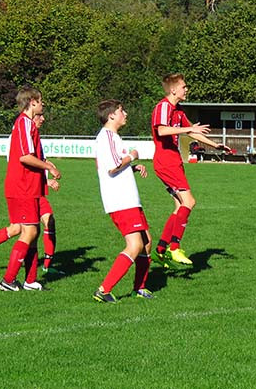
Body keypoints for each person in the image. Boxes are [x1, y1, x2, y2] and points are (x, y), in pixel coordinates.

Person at [151, 73, 231, 267]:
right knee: (190, 201)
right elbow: (161, 130)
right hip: (166, 162)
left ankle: (161, 250)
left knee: (180, 206)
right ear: (173, 90)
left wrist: (215, 145)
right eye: (184, 87)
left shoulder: (178, 111)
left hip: (173, 162)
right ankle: (174, 247)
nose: (186, 89)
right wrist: (188, 130)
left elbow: (192, 131)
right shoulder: (164, 107)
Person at [0, 87, 61, 292]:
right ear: (32, 102)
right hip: (22, 186)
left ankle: (31, 279)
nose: (43, 106)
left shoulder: (28, 126)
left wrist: (45, 168)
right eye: (41, 101)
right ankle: (8, 280)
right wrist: (49, 167)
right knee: (30, 231)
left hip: (29, 187)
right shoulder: (24, 123)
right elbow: (24, 156)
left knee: (28, 232)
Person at [93, 99, 154, 303]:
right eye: (121, 110)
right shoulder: (107, 137)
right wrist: (133, 156)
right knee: (135, 244)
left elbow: (114, 166)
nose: (125, 113)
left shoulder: (113, 138)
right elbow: (113, 166)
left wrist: (132, 168)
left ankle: (140, 287)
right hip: (120, 200)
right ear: (111, 115)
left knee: (146, 242)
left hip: (128, 199)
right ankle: (104, 289)